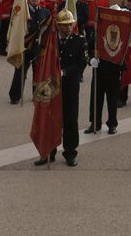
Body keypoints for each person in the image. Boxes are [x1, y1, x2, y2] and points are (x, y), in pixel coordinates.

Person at [36, 10, 86, 166]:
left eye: (70, 24)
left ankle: (70, 152)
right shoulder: (51, 41)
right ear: (58, 26)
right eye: (65, 25)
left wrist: (65, 72)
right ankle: (48, 152)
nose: (68, 28)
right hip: (51, 84)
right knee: (49, 116)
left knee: (70, 119)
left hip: (70, 84)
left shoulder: (79, 40)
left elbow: (81, 62)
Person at [86, 6, 123, 135]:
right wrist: (91, 59)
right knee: (96, 97)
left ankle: (112, 124)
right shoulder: (98, 30)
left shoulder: (121, 31)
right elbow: (89, 46)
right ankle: (95, 123)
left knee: (112, 99)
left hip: (113, 69)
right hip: (99, 68)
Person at [9, 0, 50, 104]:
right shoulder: (22, 12)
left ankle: (36, 94)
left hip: (38, 46)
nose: (35, 1)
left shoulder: (45, 12)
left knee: (38, 72)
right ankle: (15, 95)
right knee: (20, 72)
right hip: (25, 46)